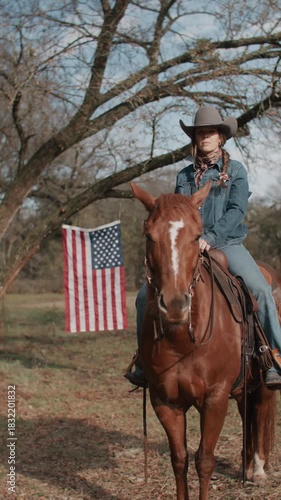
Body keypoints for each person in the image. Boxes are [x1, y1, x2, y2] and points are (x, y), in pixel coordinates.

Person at [124, 106, 281, 389]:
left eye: (210, 132)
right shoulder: (184, 175)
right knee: (142, 297)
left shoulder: (235, 171)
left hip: (227, 244)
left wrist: (211, 236)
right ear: (194, 138)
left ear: (221, 137)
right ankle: (143, 361)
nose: (205, 136)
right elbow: (177, 215)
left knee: (259, 288)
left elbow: (236, 211)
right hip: (188, 247)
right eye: (200, 132)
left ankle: (275, 357)